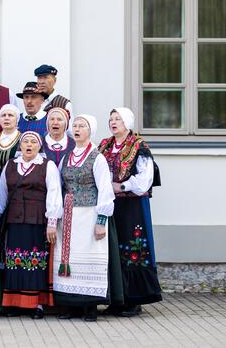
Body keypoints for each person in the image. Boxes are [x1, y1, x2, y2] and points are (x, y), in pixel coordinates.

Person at [98, 108, 162, 317]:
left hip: (132, 205)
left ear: (127, 122)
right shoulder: (105, 145)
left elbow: (145, 179)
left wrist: (122, 186)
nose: (113, 122)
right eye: (111, 119)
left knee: (133, 247)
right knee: (113, 249)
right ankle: (117, 298)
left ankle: (135, 299)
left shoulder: (139, 146)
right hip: (111, 204)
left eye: (118, 119)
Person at [51, 115, 115, 322]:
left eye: (82, 126)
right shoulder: (66, 156)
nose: (77, 129)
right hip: (69, 216)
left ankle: (90, 307)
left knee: (89, 258)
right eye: (75, 126)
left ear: (90, 131)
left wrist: (101, 221)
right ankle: (70, 305)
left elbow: (105, 189)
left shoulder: (98, 158)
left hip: (89, 214)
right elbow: (59, 185)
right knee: (68, 258)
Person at [0, 131, 61, 319]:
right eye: (26, 142)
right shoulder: (10, 165)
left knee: (35, 261)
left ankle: (36, 304)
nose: (29, 144)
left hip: (37, 220)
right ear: (20, 146)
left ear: (39, 146)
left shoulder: (47, 166)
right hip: (14, 220)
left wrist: (52, 222)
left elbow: (54, 193)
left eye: (33, 141)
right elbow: (3, 194)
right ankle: (13, 303)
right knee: (13, 261)